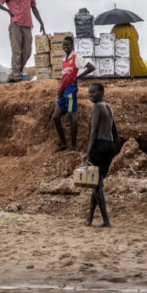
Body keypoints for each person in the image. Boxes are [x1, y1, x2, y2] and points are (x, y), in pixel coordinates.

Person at [84, 83, 118, 228]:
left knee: (97, 185)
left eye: (93, 93)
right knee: (96, 184)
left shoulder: (97, 107)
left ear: (101, 93)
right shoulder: (109, 107)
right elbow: (115, 131)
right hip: (109, 146)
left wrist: (88, 152)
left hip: (99, 145)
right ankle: (90, 219)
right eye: (89, 93)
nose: (90, 95)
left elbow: (93, 131)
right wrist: (112, 147)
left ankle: (106, 221)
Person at [0, 0, 46, 83]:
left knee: (27, 51)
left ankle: (14, 73)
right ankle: (16, 75)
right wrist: (8, 11)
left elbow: (33, 7)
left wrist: (41, 23)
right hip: (15, 24)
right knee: (16, 51)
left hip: (27, 25)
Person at [53, 36, 95, 152]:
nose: (65, 46)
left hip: (71, 91)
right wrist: (60, 89)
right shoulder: (64, 59)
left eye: (67, 44)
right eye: (63, 45)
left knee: (72, 116)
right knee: (56, 117)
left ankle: (73, 146)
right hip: (63, 90)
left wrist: (77, 78)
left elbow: (91, 67)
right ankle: (63, 143)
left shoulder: (76, 57)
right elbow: (65, 77)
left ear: (72, 46)